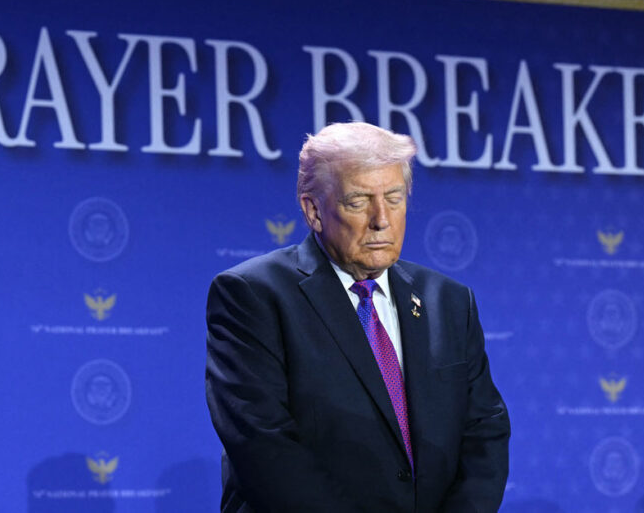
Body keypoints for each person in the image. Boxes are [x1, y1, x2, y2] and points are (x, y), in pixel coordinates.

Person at [205, 122, 510, 512]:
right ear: (313, 210)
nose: (382, 219)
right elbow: (264, 446)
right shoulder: (255, 295)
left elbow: (484, 430)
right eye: (359, 201)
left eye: (395, 198)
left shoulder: (448, 301)